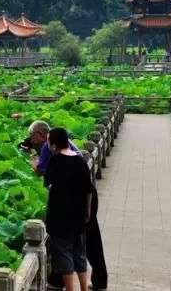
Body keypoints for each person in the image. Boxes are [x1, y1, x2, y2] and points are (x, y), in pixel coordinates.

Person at [27, 121, 108, 291]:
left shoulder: (49, 149)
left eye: (32, 136)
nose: (31, 140)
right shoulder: (66, 146)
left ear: (42, 135)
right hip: (86, 195)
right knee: (84, 240)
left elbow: (43, 175)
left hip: (72, 199)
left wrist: (34, 161)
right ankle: (93, 281)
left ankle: (61, 282)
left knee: (70, 243)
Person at [45, 128, 93, 291]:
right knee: (79, 252)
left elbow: (47, 181)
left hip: (59, 215)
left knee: (64, 253)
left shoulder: (55, 160)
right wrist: (87, 211)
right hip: (78, 214)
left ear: (53, 143)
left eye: (48, 140)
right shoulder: (80, 160)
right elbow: (88, 190)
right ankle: (84, 288)